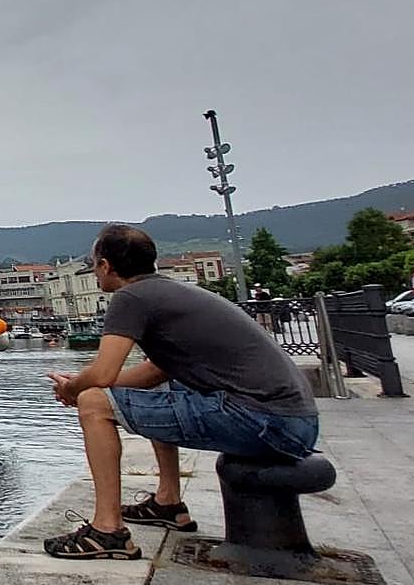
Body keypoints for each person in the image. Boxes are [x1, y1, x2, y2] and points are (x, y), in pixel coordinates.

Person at [42, 224, 317, 561]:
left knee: (93, 403)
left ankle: (107, 530)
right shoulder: (168, 292)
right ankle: (168, 501)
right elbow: (156, 371)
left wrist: (74, 388)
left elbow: (103, 372)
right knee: (161, 385)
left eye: (95, 262)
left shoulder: (130, 298)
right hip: (295, 421)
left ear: (105, 266)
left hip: (264, 422)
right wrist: (92, 384)